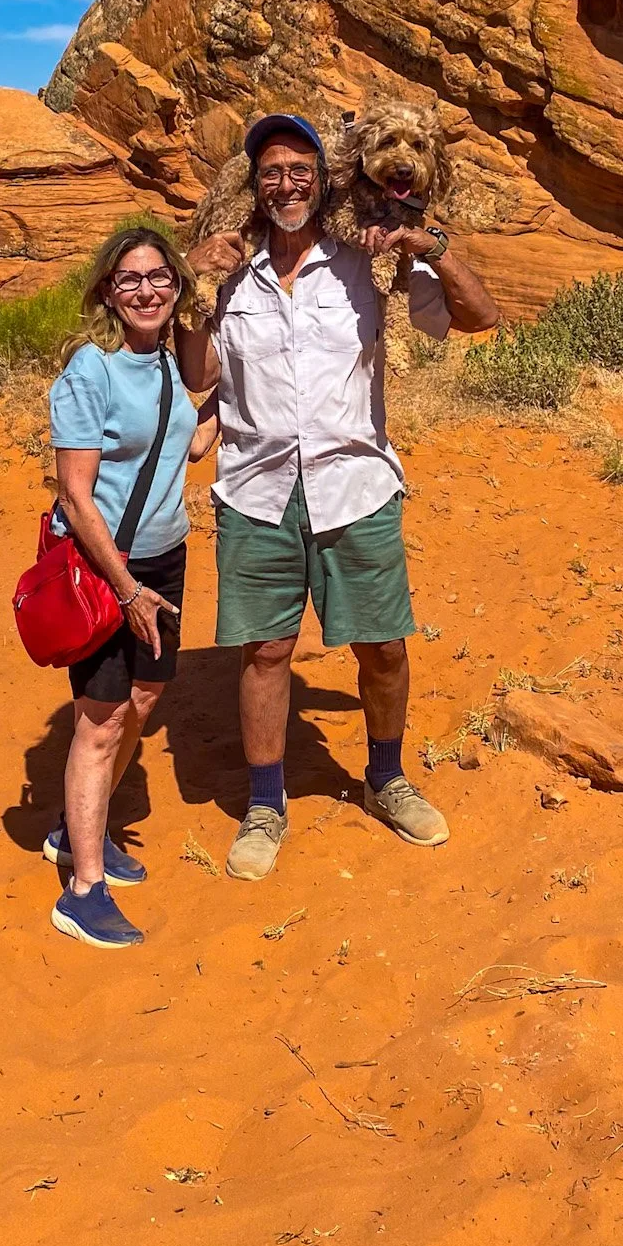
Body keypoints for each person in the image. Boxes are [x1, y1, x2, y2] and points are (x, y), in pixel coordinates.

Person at [178, 114, 499, 881]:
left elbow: (479, 318)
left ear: (324, 180)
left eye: (301, 171)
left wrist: (435, 247)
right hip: (256, 492)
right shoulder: (231, 270)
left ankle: (386, 779)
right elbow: (198, 378)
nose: (286, 184)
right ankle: (264, 804)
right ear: (253, 187)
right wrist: (196, 282)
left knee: (383, 647)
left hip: (355, 486)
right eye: (271, 173)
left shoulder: (369, 259)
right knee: (266, 652)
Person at [43, 226, 217, 947]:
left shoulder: (171, 366)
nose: (146, 290)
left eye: (159, 278)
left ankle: (76, 830)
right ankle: (83, 890)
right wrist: (126, 590)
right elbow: (78, 498)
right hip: (103, 568)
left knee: (146, 696)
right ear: (108, 295)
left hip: (165, 559)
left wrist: (244, 406)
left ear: (176, 288)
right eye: (130, 280)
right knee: (102, 719)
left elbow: (187, 443)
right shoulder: (92, 371)